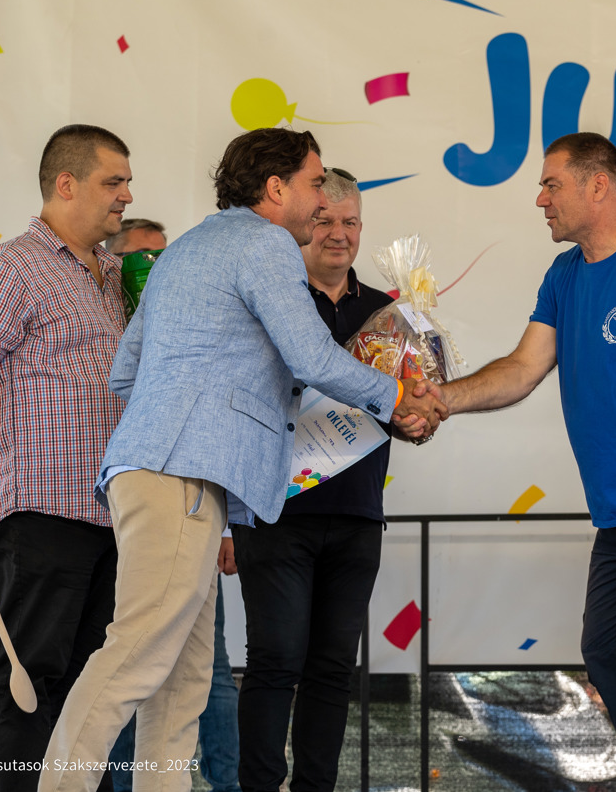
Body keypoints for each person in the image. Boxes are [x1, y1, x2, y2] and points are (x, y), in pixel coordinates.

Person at [38, 128, 444, 791]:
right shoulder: (264, 243)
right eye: (315, 185)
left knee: (183, 678)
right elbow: (311, 355)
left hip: (166, 470)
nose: (323, 201)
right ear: (275, 188)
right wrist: (396, 394)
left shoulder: (186, 248)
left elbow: (125, 372)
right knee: (135, 657)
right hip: (180, 474)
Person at [415, 131, 616, 792]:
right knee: (610, 650)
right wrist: (440, 399)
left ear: (599, 185)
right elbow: (522, 368)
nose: (540, 199)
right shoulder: (564, 275)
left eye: (551, 184)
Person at [0, 124, 133, 792]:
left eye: (127, 182)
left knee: (91, 691)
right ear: (66, 184)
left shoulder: (115, 274)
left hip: (114, 514)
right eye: (113, 181)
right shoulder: (11, 267)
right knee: (29, 676)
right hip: (43, 506)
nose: (126, 195)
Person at [232, 168, 396, 791]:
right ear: (302, 222)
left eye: (350, 222)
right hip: (275, 514)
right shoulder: (271, 300)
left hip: (358, 515)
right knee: (274, 661)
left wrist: (420, 414)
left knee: (332, 669)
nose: (337, 234)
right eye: (324, 219)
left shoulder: (388, 314)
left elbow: (398, 409)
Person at [103, 220, 241, 792]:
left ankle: (225, 783)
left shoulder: (190, 319)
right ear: (114, 265)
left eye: (164, 255)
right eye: (142, 258)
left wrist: (228, 523)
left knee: (208, 665)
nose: (154, 267)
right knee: (128, 659)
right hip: (107, 515)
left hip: (189, 503)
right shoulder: (101, 319)